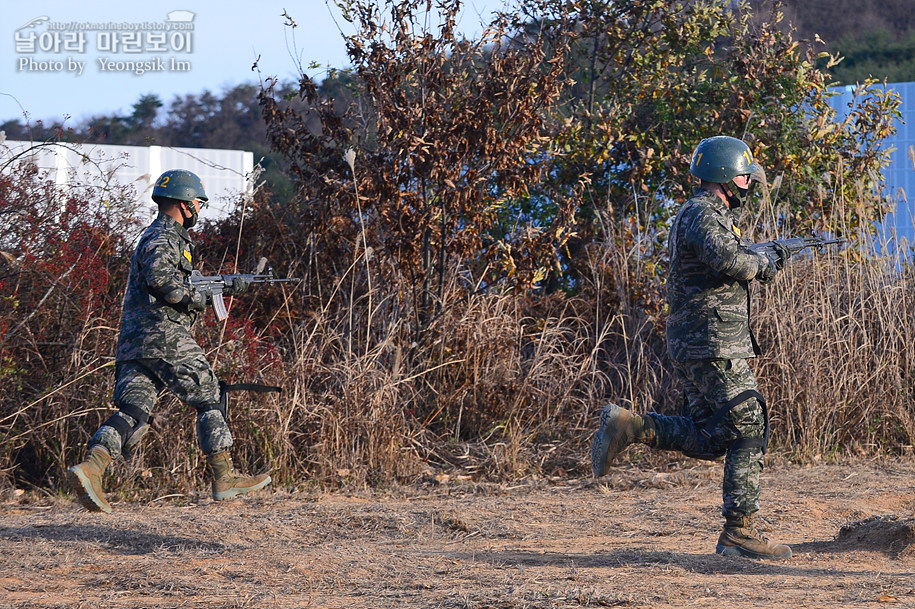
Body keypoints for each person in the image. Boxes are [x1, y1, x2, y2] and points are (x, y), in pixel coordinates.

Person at [591, 135, 793, 559]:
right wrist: (763, 262)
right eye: (743, 175)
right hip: (712, 341)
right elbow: (730, 261)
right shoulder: (703, 213)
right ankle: (739, 532)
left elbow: (723, 258)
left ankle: (633, 427)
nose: (748, 183)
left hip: (699, 340)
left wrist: (763, 255)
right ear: (725, 176)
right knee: (750, 424)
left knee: (714, 436)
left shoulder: (701, 213)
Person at [67, 169, 271, 512]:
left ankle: (91, 469)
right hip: (165, 337)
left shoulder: (158, 237)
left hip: (136, 344)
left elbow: (171, 282)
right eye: (197, 203)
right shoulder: (163, 238)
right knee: (209, 394)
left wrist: (219, 285)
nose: (199, 210)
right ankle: (224, 476)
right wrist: (203, 296)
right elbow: (167, 283)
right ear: (184, 203)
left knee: (133, 410)